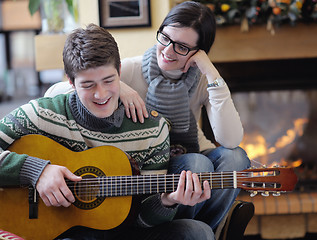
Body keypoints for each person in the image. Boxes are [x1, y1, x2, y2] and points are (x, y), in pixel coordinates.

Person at [45, 0, 251, 233]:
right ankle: (177, 227)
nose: (168, 50)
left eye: (182, 47)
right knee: (196, 164)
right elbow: (57, 92)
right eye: (165, 38)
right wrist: (119, 86)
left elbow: (231, 140)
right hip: (153, 166)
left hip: (190, 153)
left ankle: (207, 230)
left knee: (235, 158)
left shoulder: (202, 79)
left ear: (199, 52)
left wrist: (210, 71)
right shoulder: (130, 70)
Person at [0, 24, 215, 240]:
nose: (100, 94)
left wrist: (168, 201)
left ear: (120, 72)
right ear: (71, 82)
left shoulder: (152, 129)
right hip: (63, 232)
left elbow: (142, 220)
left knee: (198, 232)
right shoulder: (41, 113)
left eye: (109, 81)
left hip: (126, 232)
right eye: (88, 85)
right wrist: (36, 172)